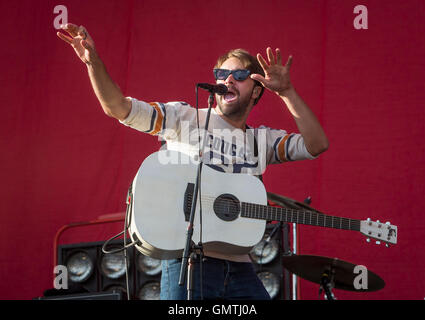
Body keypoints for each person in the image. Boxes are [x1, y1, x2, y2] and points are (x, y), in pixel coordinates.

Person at [57, 23, 329, 300]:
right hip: (187, 262)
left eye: (239, 74)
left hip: (241, 267)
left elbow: (317, 145)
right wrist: (93, 62)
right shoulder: (183, 117)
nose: (228, 80)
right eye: (222, 74)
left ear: (258, 89)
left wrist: (286, 92)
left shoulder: (262, 140)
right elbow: (118, 107)